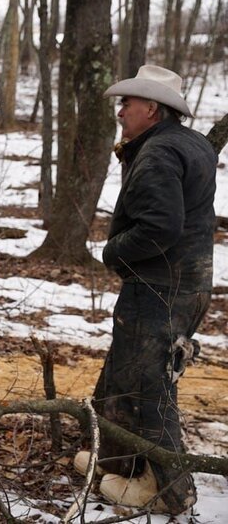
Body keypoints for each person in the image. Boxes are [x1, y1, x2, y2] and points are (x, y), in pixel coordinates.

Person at [76, 65, 217, 515]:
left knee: (149, 386)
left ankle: (166, 489)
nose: (121, 112)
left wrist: (114, 251)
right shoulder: (186, 142)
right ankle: (116, 462)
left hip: (161, 287)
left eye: (127, 104)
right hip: (181, 283)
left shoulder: (158, 152)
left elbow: (159, 227)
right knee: (124, 373)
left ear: (151, 109)